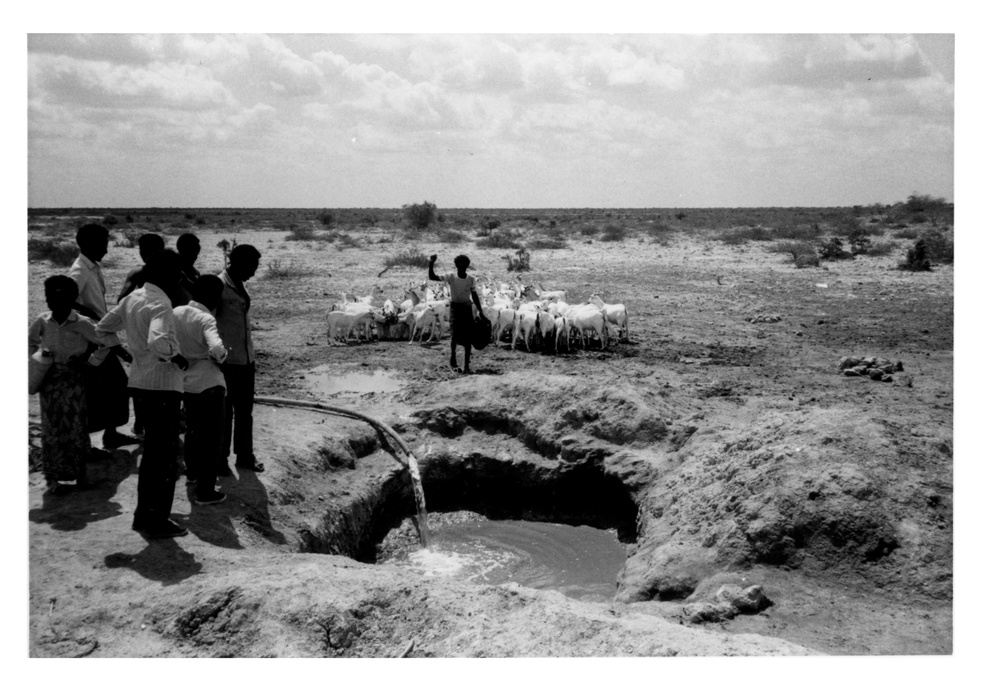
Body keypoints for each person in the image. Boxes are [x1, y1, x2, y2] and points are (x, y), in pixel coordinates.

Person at [97, 249, 189, 539]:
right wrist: (177, 357)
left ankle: (143, 515)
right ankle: (157, 519)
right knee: (164, 458)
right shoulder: (160, 303)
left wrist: (125, 352)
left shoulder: (132, 298)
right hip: (163, 385)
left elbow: (102, 329)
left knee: (152, 454)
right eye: (177, 272)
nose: (181, 278)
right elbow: (159, 342)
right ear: (165, 275)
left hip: (140, 383)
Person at [29, 276, 120, 495]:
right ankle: (53, 480)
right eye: (50, 298)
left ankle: (81, 477)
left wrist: (89, 363)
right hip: (49, 382)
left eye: (60, 299)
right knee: (52, 429)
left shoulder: (82, 323)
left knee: (76, 427)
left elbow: (105, 342)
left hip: (73, 383)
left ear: (71, 300)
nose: (54, 304)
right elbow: (30, 341)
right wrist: (37, 358)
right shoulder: (43, 321)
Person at [69, 223, 137, 451]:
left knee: (113, 385)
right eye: (102, 244)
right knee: (105, 387)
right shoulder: (79, 270)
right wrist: (89, 315)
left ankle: (110, 434)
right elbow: (68, 301)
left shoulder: (91, 268)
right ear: (88, 244)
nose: (106, 250)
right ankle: (89, 443)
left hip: (100, 335)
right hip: (90, 339)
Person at [173, 275, 228, 505]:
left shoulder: (175, 313)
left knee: (193, 432)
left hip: (185, 382)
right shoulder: (205, 318)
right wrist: (221, 356)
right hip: (209, 382)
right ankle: (206, 491)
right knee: (213, 438)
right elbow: (216, 348)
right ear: (214, 296)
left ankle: (193, 474)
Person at [216, 244, 264, 474]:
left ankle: (245, 455)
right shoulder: (218, 287)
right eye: (252, 266)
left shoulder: (241, 286)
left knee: (245, 411)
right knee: (224, 413)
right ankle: (220, 459)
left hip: (246, 359)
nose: (254, 272)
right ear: (237, 263)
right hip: (226, 361)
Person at [117, 233, 165, 440]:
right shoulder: (139, 273)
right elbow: (122, 300)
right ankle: (140, 422)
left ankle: (148, 421)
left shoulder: (166, 271)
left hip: (159, 326)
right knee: (141, 373)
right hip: (142, 328)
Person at [428, 253, 485, 374]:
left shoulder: (471, 280)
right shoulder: (450, 276)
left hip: (466, 308)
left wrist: (481, 311)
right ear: (456, 265)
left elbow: (474, 296)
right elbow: (432, 277)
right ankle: (453, 357)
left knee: (468, 337)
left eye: (464, 265)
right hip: (455, 308)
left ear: (467, 266)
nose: (462, 267)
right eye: (459, 265)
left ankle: (466, 366)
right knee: (454, 335)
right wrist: (431, 263)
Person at [117, 233, 165, 303]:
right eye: (142, 249)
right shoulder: (174, 271)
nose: (143, 253)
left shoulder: (138, 273)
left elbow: (121, 300)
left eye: (149, 250)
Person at [175, 233, 202, 306]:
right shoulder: (174, 272)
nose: (195, 257)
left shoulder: (194, 272)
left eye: (196, 254)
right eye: (192, 254)